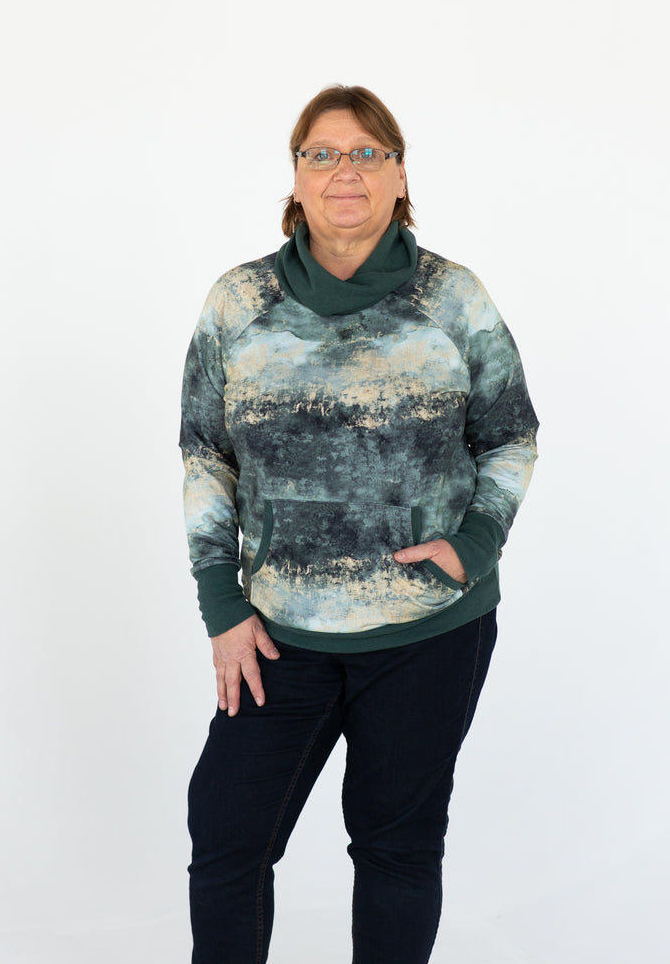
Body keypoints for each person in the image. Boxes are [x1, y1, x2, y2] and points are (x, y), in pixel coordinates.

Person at [180, 84, 538, 964]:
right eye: (324, 154)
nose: (347, 170)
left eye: (369, 153)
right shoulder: (239, 302)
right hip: (277, 634)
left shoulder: (453, 297)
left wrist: (475, 543)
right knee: (227, 838)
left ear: (400, 174)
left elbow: (510, 435)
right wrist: (222, 606)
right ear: (297, 177)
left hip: (430, 630)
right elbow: (205, 455)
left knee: (397, 846)